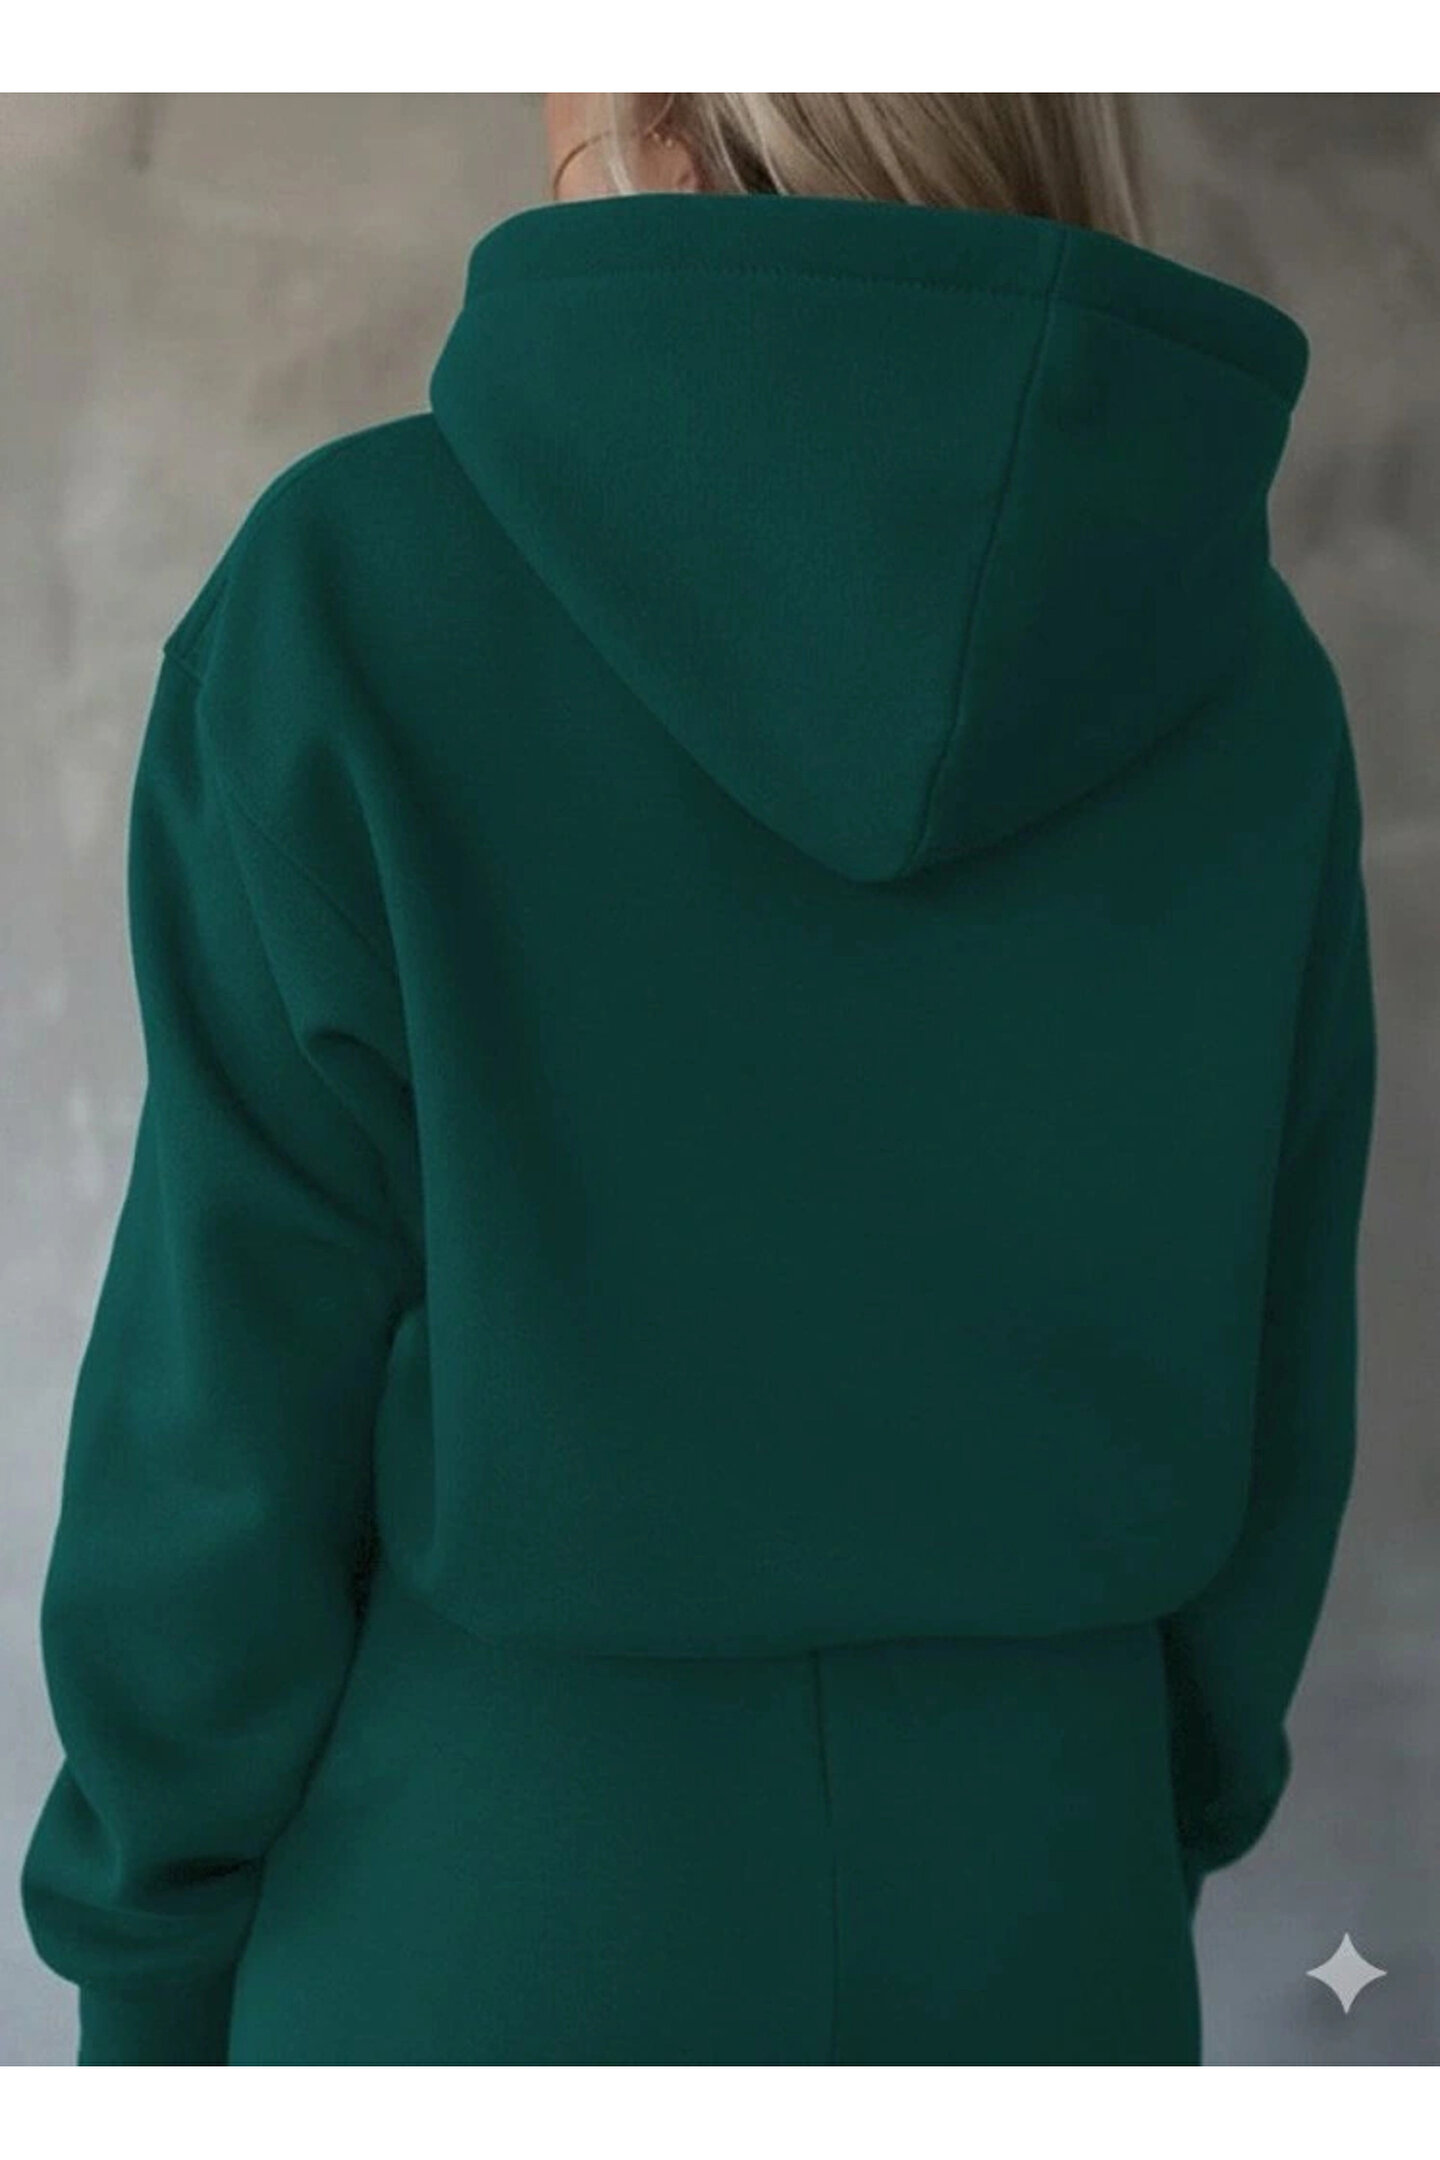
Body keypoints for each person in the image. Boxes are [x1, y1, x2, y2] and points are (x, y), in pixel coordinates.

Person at [20, 92, 1377, 2066]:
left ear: (650, 97)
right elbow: (1284, 1392)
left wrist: (144, 1969)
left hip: (480, 1929)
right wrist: (1100, 1829)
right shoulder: (1248, 673)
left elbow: (217, 1434)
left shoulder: (352, 590)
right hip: (1045, 1915)